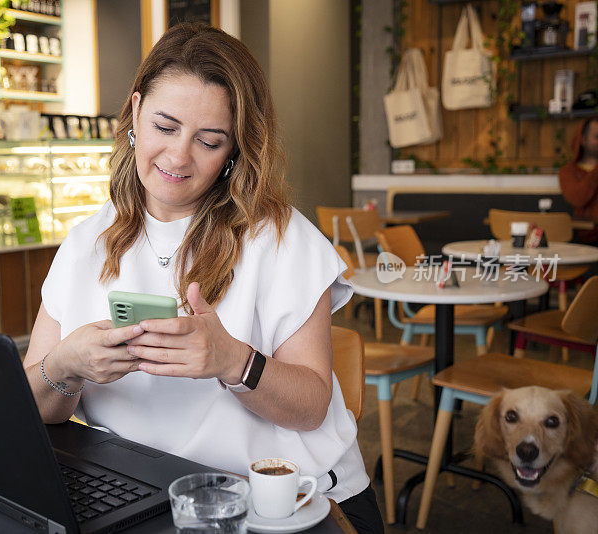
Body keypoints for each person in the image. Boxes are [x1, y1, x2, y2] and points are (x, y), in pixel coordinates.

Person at [24, 23, 382, 533]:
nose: (177, 157)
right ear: (135, 110)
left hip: (288, 503)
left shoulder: (281, 238)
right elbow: (37, 409)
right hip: (144, 495)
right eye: (164, 127)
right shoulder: (86, 243)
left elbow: (310, 408)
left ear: (236, 149)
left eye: (208, 141)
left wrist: (232, 360)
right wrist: (66, 365)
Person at [558, 117, 598, 245]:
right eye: (597, 137)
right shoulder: (568, 172)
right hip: (584, 239)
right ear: (583, 140)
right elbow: (578, 199)